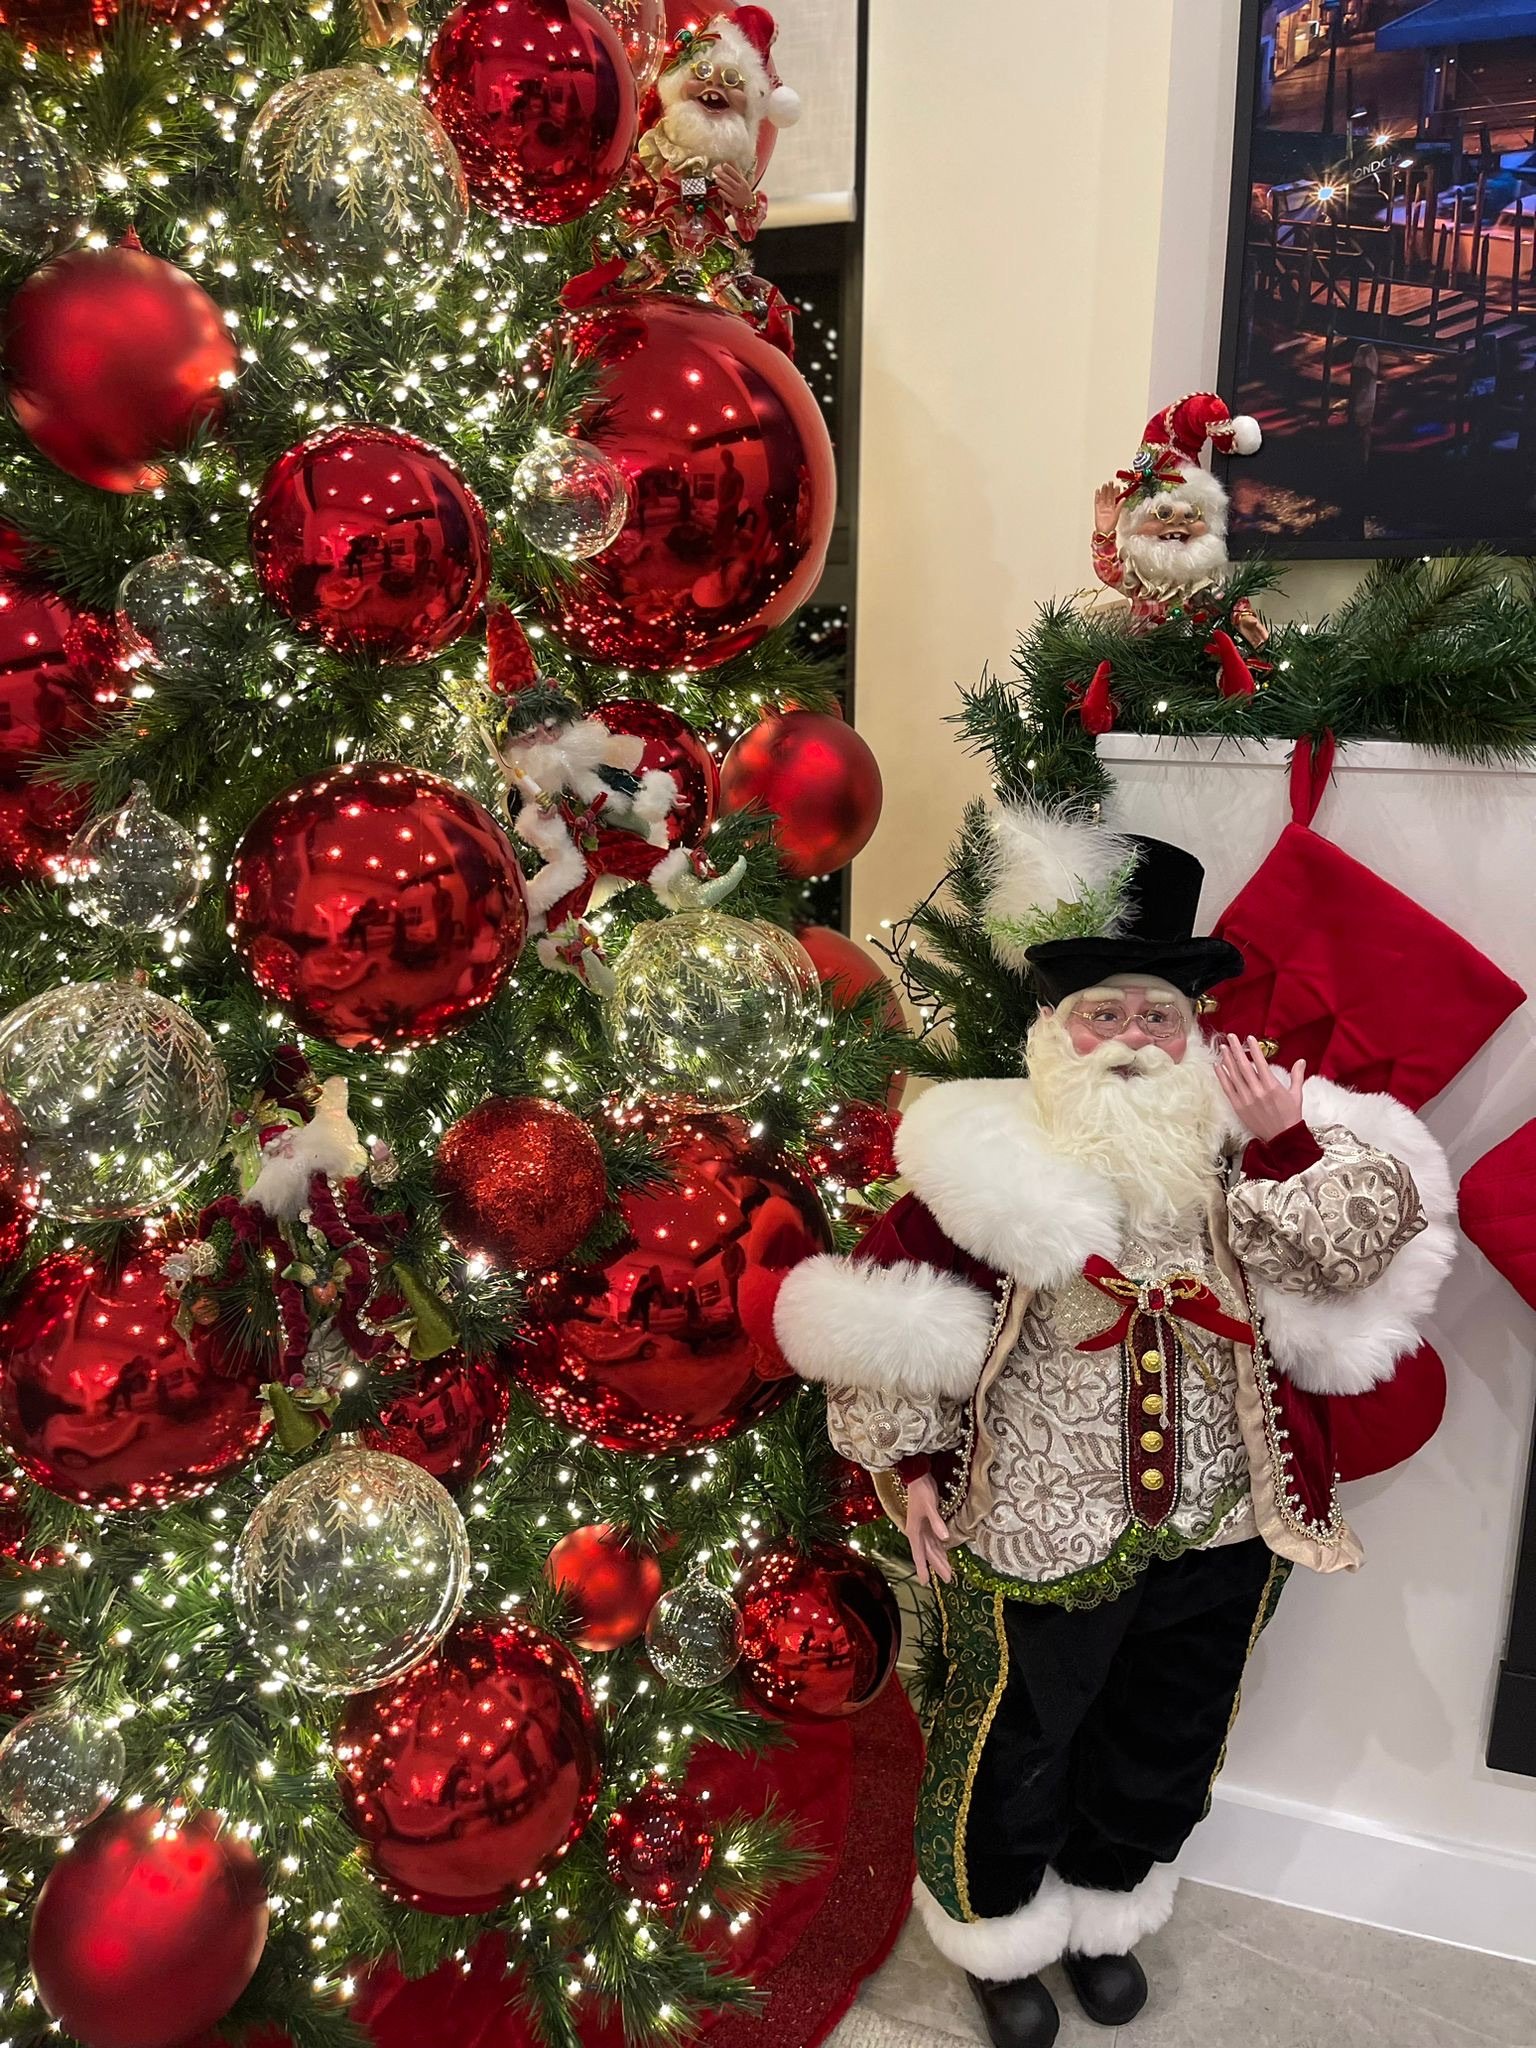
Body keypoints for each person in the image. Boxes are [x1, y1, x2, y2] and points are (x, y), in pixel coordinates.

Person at [773, 804, 1455, 2048]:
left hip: (1220, 1517)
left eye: (1158, 1014)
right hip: (1038, 1514)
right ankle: (994, 1925)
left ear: (1195, 1032)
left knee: (1170, 1725)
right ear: (1054, 1030)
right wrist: (913, 1462)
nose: (1134, 1036)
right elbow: (890, 1312)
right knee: (1014, 1735)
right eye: (1106, 1013)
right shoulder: (986, 1157)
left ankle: (1107, 1902)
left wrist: (1286, 1138)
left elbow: (1356, 1252)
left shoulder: (1250, 1144)